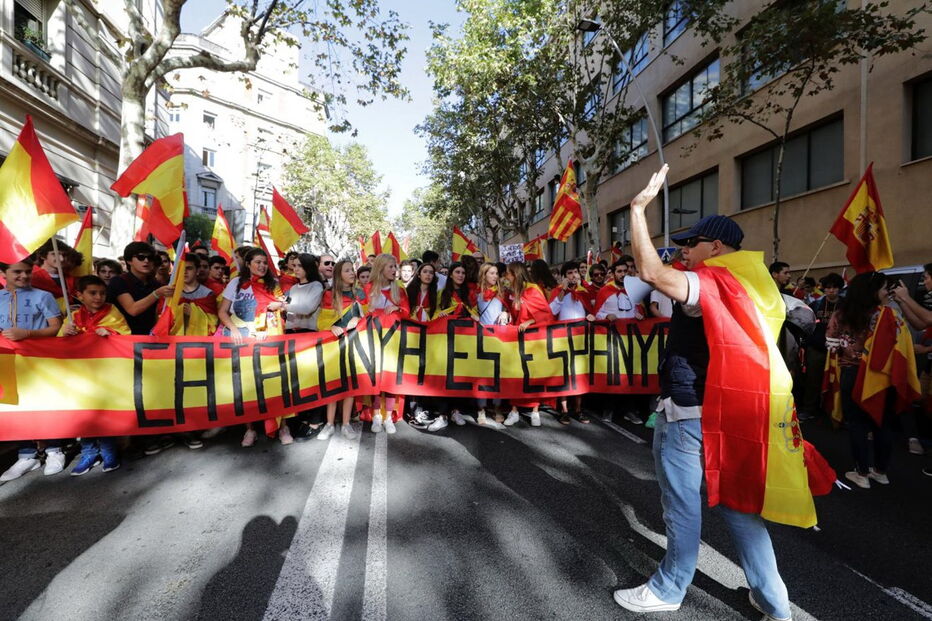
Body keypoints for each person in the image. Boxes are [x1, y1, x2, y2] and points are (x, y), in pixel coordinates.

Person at [614, 165, 799, 621]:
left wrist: (638, 210)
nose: (684, 252)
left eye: (691, 244)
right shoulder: (758, 284)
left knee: (681, 506)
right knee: (740, 511)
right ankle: (776, 604)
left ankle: (670, 588)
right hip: (735, 414)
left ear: (716, 247)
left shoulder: (711, 283)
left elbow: (650, 273)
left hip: (690, 412)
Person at [826, 272, 914, 489]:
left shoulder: (841, 314)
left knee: (857, 424)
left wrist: (850, 352)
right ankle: (880, 471)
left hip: (851, 374)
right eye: (885, 288)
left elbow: (831, 345)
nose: (888, 292)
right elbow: (902, 345)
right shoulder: (891, 315)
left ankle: (861, 473)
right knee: (882, 424)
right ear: (872, 292)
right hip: (882, 376)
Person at [0, 258, 66, 481]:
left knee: (46, 404)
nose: (24, 276)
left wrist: (27, 334)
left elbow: (55, 327)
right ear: (4, 274)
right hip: (8, 363)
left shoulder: (43, 296)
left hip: (40, 361)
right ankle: (27, 455)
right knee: (16, 407)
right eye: (17, 272)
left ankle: (54, 450)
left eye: (27, 272)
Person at [218, 247, 290, 447]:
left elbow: (283, 307)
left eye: (265, 263)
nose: (262, 266)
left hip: (269, 339)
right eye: (258, 262)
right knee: (246, 383)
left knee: (276, 381)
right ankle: (250, 429)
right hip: (243, 340)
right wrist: (232, 329)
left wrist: (279, 307)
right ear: (247, 264)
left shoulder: (273, 285)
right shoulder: (236, 284)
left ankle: (282, 426)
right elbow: (223, 311)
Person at [61, 275, 130, 475]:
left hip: (105, 373)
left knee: (103, 413)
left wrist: (109, 332)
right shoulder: (73, 317)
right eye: (93, 293)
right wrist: (65, 332)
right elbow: (58, 344)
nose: (98, 297)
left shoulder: (113, 312)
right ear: (79, 295)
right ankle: (88, 453)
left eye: (102, 293)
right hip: (80, 374)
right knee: (84, 414)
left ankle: (109, 452)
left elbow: (125, 335)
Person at [316, 259, 365, 441]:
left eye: (352, 270)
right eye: (347, 270)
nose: (352, 273)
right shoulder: (329, 294)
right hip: (333, 345)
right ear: (338, 274)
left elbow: (369, 317)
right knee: (332, 384)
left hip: (355, 344)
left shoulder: (360, 293)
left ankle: (345, 424)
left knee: (350, 385)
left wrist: (359, 321)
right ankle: (329, 424)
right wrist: (330, 328)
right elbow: (321, 321)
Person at [505, 261, 553, 427]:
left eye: (508, 273)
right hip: (516, 339)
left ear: (516, 274)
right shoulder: (513, 291)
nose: (506, 276)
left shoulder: (533, 289)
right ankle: (514, 410)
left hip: (534, 339)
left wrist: (530, 321)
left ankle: (535, 411)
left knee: (533, 374)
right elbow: (512, 313)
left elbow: (546, 313)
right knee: (516, 374)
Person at [365, 253, 410, 433]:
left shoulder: (399, 290)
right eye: (391, 267)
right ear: (381, 268)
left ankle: (389, 416)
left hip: (394, 339)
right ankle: (376, 415)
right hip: (372, 338)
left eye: (395, 267)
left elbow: (407, 311)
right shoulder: (368, 288)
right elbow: (360, 311)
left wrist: (398, 308)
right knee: (375, 376)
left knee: (391, 377)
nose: (394, 270)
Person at [549, 260, 594, 425]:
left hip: (581, 338)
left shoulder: (584, 292)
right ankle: (564, 410)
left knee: (579, 374)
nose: (573, 275)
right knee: (565, 374)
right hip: (562, 339)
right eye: (569, 273)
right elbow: (553, 311)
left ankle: (579, 409)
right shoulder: (557, 291)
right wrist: (563, 289)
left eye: (575, 272)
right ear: (564, 277)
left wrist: (591, 316)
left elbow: (592, 311)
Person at [799, 272, 844, 420]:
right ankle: (809, 409)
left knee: (837, 381)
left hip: (839, 350)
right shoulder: (815, 305)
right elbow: (807, 324)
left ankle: (833, 411)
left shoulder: (846, 305)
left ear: (840, 288)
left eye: (835, 287)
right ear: (823, 289)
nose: (831, 290)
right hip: (817, 348)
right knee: (813, 380)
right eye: (828, 287)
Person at [475, 262, 509, 425]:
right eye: (492, 273)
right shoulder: (475, 293)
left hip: (499, 337)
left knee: (498, 374)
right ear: (484, 275)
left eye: (496, 273)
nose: (495, 276)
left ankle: (496, 407)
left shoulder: (502, 292)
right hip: (480, 336)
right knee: (482, 373)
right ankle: (481, 409)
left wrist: (505, 312)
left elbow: (510, 310)